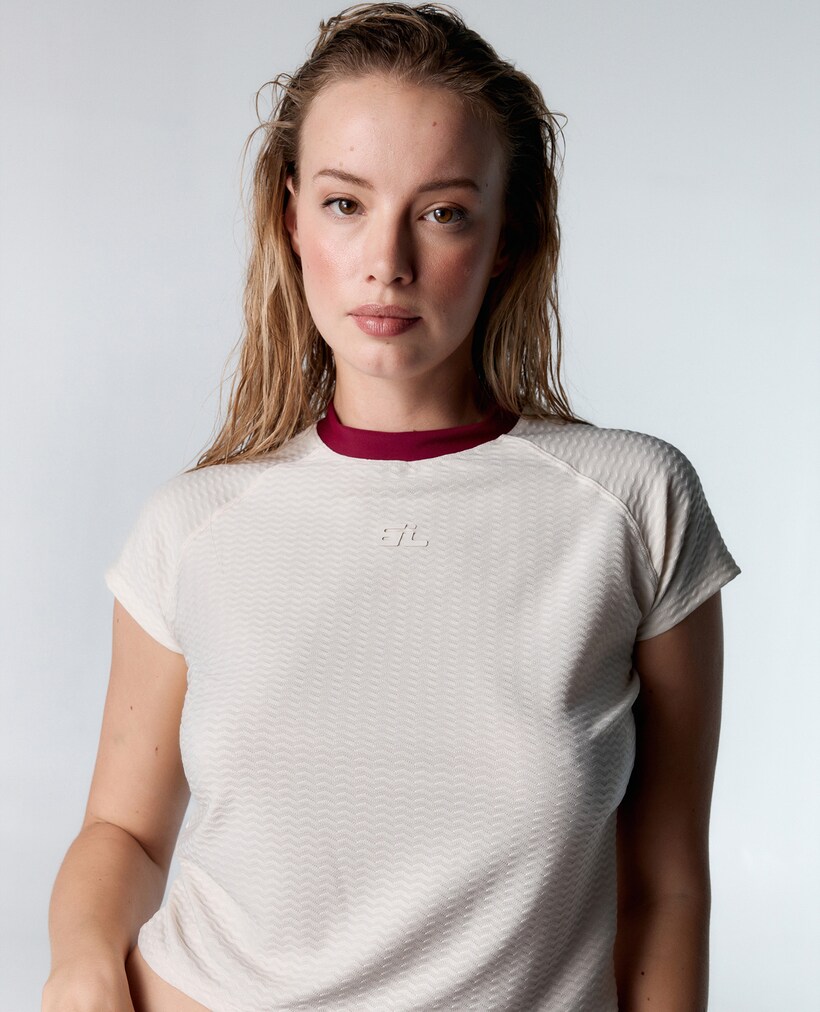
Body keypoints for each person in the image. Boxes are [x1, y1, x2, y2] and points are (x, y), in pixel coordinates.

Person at [43, 3, 742, 1010]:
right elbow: (124, 835)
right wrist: (78, 970)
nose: (387, 261)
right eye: (344, 203)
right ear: (290, 215)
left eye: (443, 211)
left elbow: (667, 883)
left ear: (507, 236)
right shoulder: (189, 529)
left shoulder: (632, 504)